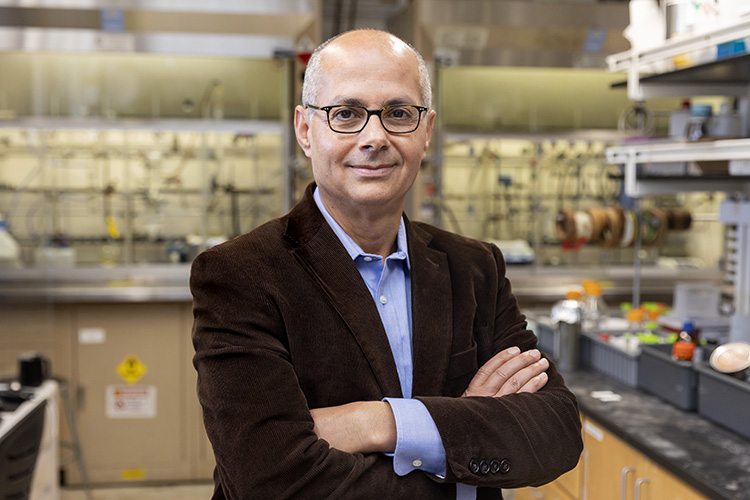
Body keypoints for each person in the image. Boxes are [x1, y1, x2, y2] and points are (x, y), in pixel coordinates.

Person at [191, 29, 582, 500]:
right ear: (304, 130)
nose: (374, 137)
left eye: (398, 114)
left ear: (427, 130)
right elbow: (268, 478)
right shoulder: (240, 275)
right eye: (347, 114)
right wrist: (459, 435)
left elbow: (555, 434)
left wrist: (378, 422)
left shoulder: (475, 268)